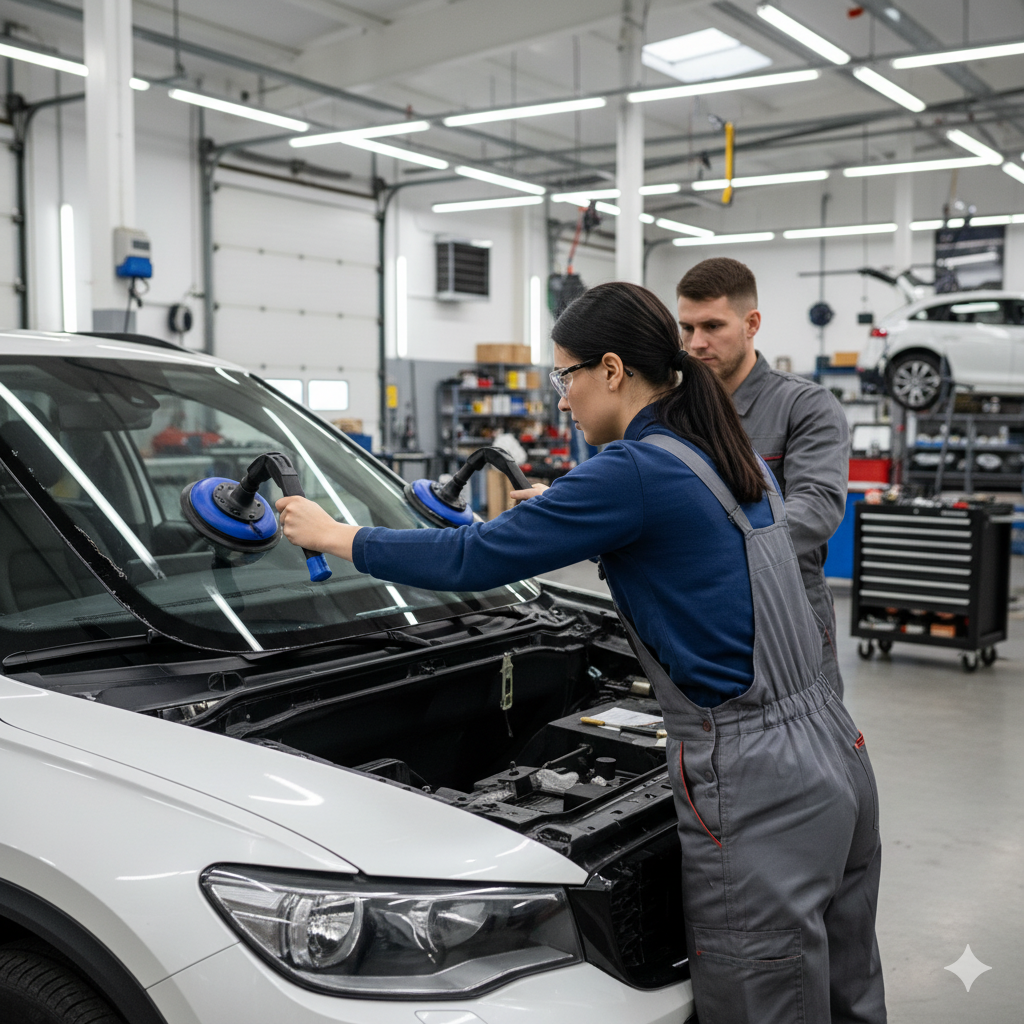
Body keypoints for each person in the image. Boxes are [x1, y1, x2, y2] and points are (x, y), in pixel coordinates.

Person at [276, 282, 886, 1024]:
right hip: (832, 748)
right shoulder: (719, 450)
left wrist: (334, 535)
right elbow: (680, 535)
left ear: (610, 369)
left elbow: (474, 559)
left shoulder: (630, 470)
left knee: (763, 1006)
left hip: (757, 777)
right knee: (844, 989)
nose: (561, 400)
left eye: (563, 377)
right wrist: (565, 506)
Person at [676, 258, 849, 699]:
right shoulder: (674, 413)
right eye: (687, 328)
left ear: (751, 323)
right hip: (700, 616)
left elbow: (816, 506)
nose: (696, 343)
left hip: (788, 612)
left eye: (713, 326)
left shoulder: (805, 406)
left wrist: (720, 549)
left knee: (815, 749)